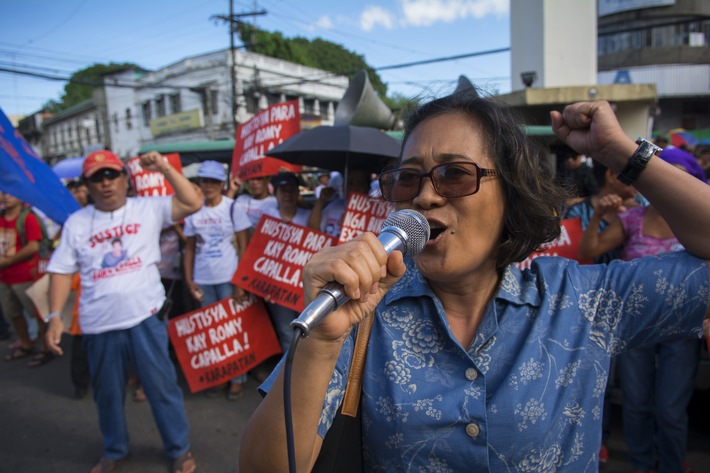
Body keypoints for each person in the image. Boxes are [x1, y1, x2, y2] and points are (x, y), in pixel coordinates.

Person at [239, 95, 710, 473]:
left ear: (510, 192)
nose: (425, 195)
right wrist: (319, 342)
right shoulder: (359, 316)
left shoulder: (581, 301)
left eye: (455, 174)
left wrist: (621, 153)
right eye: (407, 179)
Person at [44, 149, 202, 473]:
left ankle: (179, 448)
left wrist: (164, 169)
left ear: (124, 179)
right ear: (86, 185)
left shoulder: (147, 208)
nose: (105, 183)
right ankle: (114, 449)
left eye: (111, 175)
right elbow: (60, 270)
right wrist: (55, 315)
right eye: (96, 178)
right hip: (98, 325)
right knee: (107, 394)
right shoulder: (76, 223)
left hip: (145, 317)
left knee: (162, 387)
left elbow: (192, 202)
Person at [578, 146, 706, 473]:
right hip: (635, 329)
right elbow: (590, 249)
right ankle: (641, 465)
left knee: (671, 410)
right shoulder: (633, 218)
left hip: (683, 331)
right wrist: (595, 217)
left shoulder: (699, 227)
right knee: (635, 404)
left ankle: (673, 465)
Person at [183, 160, 251, 400]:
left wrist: (241, 281)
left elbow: (244, 246)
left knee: (233, 330)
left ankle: (238, 379)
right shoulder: (192, 211)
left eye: (213, 181)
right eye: (204, 181)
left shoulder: (233, 208)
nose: (208, 186)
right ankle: (219, 377)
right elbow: (190, 249)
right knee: (211, 334)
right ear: (199, 183)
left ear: (222, 184)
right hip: (204, 279)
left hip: (228, 278)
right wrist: (190, 279)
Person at [262, 172, 312, 352]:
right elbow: (259, 253)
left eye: (292, 190)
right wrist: (262, 285)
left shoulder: (309, 216)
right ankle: (287, 375)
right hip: (277, 287)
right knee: (285, 332)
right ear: (275, 194)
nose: (288, 194)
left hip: (305, 284)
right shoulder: (266, 218)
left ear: (298, 193)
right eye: (283, 191)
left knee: (309, 330)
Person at [0, 192, 43, 363]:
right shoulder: (1, 218)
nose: (5, 197)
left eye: (10, 193)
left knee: (36, 313)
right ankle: (26, 344)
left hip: (25, 275)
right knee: (12, 313)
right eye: (2, 193)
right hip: (4, 278)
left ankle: (45, 346)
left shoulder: (27, 218)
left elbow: (33, 246)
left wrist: (8, 261)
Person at [307, 168, 371, 238]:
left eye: (360, 184)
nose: (354, 188)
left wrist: (349, 228)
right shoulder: (334, 206)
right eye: (350, 183)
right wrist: (321, 201)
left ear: (368, 188)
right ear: (344, 186)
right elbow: (313, 227)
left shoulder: (373, 215)